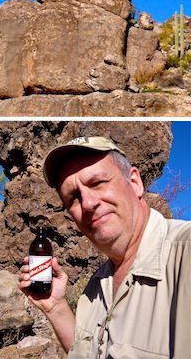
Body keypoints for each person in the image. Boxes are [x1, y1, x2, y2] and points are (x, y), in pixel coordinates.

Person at [18, 136, 190, 358]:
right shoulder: (98, 283)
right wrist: (55, 306)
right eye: (73, 198)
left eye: (97, 183)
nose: (88, 203)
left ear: (135, 182)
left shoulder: (184, 255)